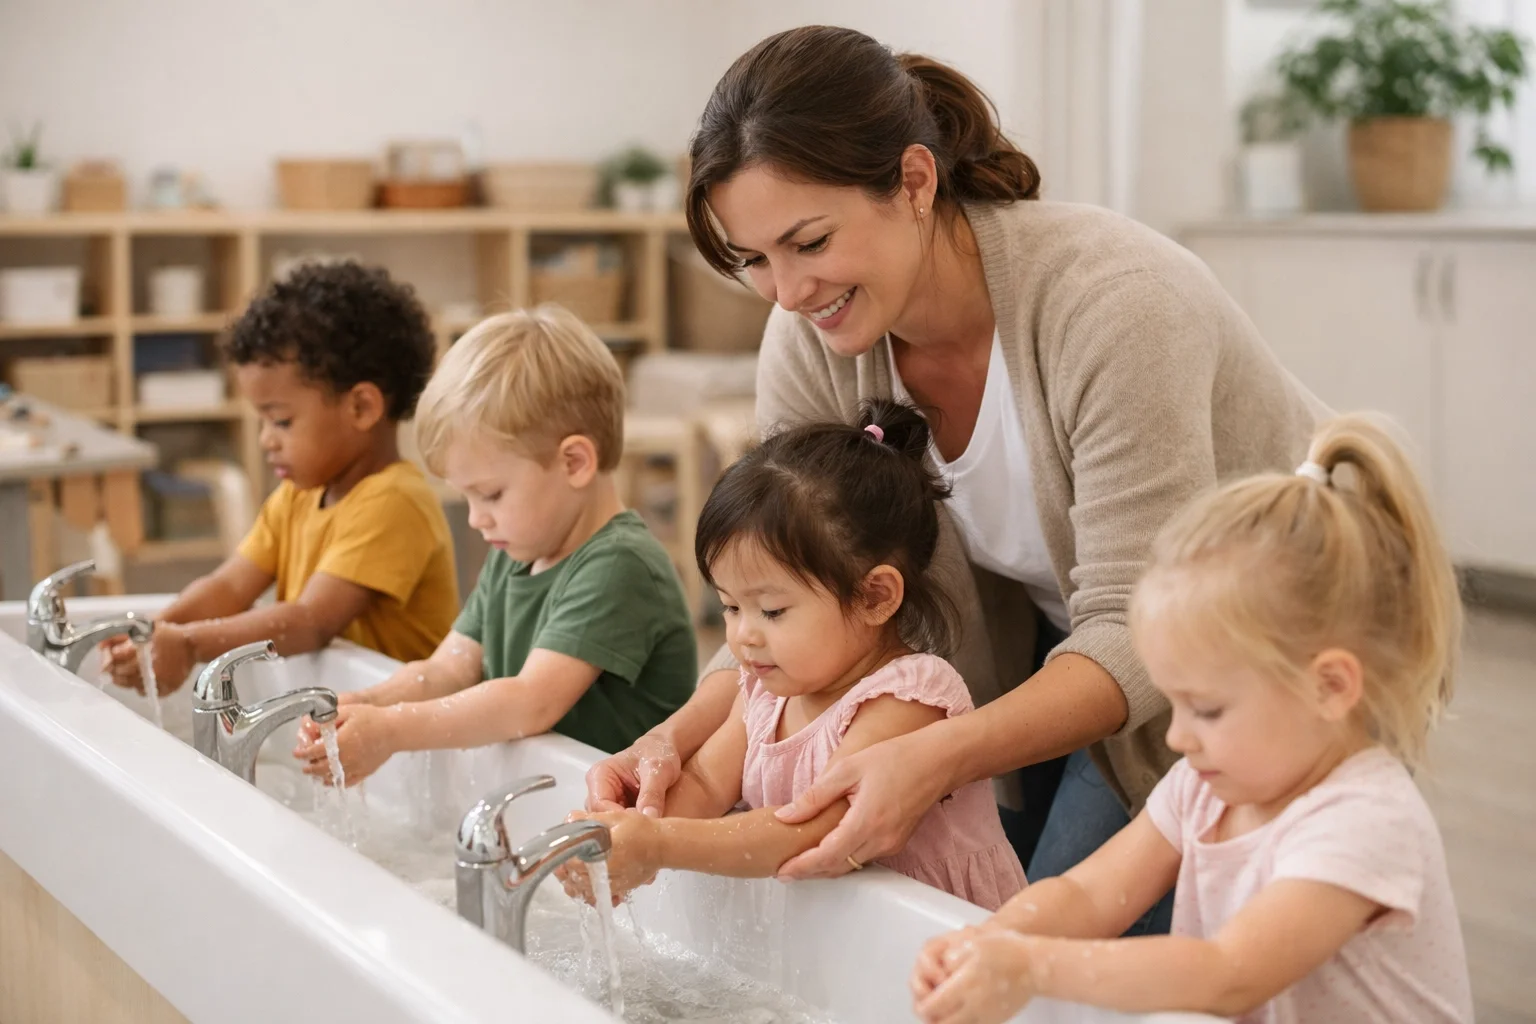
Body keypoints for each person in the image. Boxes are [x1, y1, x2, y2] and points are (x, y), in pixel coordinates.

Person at [585, 24, 1326, 933]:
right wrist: (675, 739)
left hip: (1263, 645)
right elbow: (782, 576)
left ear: (915, 182)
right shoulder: (811, 342)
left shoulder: (1118, 305)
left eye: (809, 241)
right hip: (1074, 640)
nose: (786, 291)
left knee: (1050, 947)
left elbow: (1137, 632)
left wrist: (938, 756)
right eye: (756, 260)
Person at [910, 415, 1471, 1024]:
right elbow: (1089, 894)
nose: (1178, 737)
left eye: (1206, 709)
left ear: (1330, 688)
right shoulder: (1205, 786)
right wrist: (993, 940)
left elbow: (1230, 975)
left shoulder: (1365, 823)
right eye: (1175, 703)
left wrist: (1032, 969)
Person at [563, 400, 1025, 910]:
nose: (742, 636)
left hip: (938, 937)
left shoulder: (908, 699)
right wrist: (628, 831)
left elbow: (807, 831)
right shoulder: (763, 689)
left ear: (875, 597)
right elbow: (704, 780)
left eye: (773, 611)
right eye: (730, 607)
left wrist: (660, 846)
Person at [293, 306, 695, 784]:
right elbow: (449, 670)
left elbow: (530, 701)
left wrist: (391, 731)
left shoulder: (619, 565)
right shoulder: (516, 553)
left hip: (617, 816)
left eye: (491, 494)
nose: (475, 517)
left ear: (574, 462)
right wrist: (368, 704)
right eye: (467, 495)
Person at [102, 261, 456, 692]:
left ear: (361, 408)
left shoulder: (395, 501)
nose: (266, 440)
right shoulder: (296, 496)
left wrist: (191, 647)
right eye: (262, 421)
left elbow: (310, 621)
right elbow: (229, 586)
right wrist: (156, 632)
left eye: (282, 421)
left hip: (411, 735)